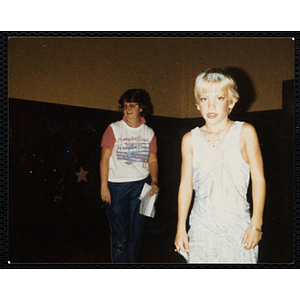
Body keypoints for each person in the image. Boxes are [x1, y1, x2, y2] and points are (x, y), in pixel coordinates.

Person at [174, 68, 266, 263]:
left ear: (231, 101)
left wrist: (256, 224)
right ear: (198, 104)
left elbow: (258, 180)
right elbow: (185, 186)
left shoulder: (245, 132)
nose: (211, 105)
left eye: (220, 98)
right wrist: (181, 228)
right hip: (201, 228)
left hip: (238, 227)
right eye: (205, 99)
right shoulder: (190, 140)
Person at [100, 89, 159, 263]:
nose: (128, 109)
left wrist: (154, 181)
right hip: (117, 186)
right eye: (125, 106)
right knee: (120, 233)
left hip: (142, 186)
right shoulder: (114, 129)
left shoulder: (149, 132)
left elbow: (153, 160)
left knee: (136, 232)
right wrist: (104, 186)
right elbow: (104, 160)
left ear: (141, 108)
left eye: (132, 105)